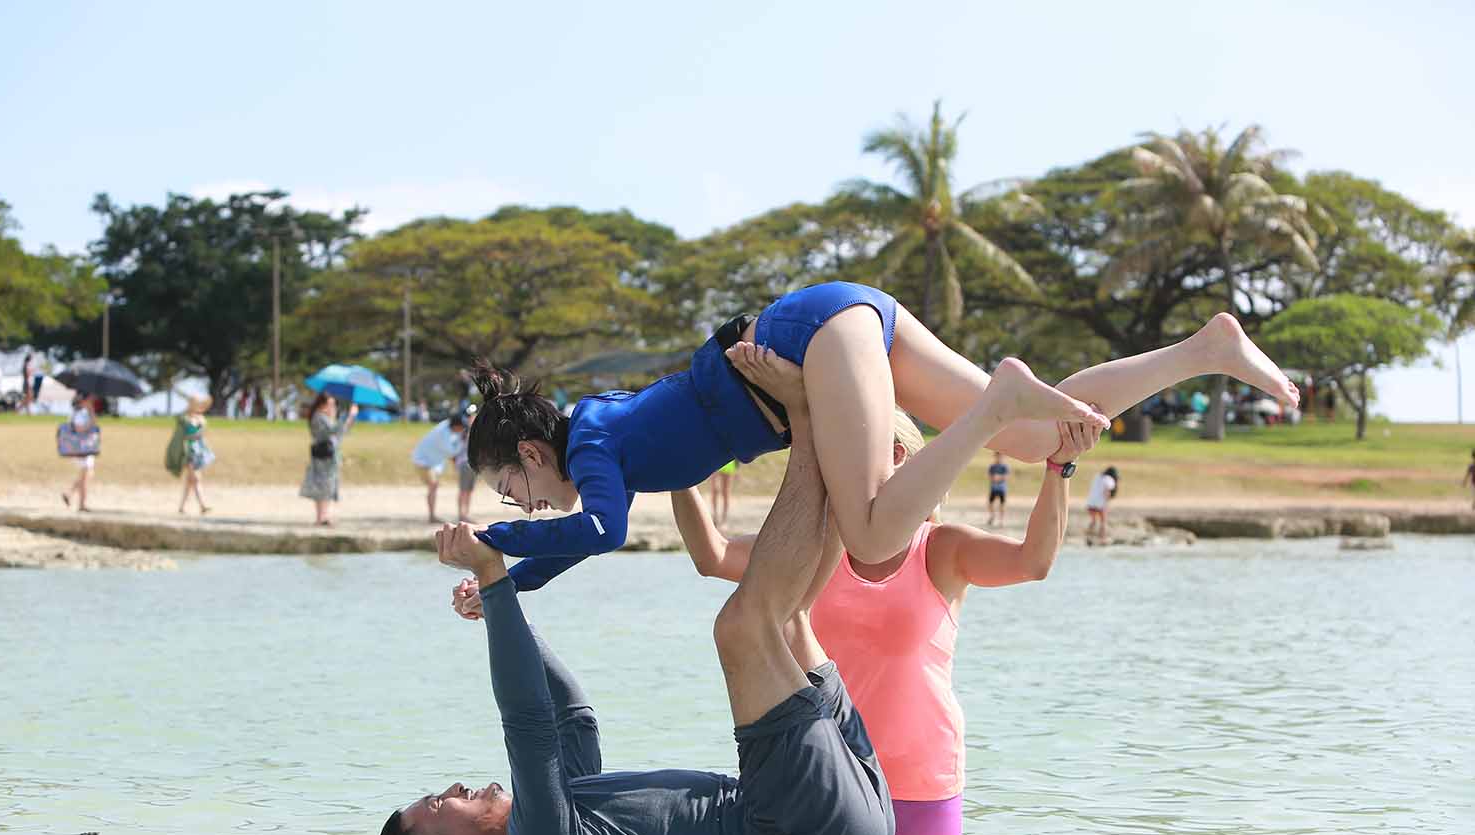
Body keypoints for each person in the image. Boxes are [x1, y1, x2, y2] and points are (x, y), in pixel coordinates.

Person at [374, 378, 898, 835]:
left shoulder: (562, 808)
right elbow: (527, 721)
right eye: (441, 803)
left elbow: (571, 716)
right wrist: (491, 575)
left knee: (790, 623)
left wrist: (500, 607)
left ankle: (850, 455)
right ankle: (809, 424)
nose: (458, 788)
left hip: (852, 817)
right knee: (744, 628)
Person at [462, 281, 1299, 593]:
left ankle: (993, 402)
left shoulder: (594, 449)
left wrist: (491, 539)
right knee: (1043, 439)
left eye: (515, 490)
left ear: (534, 453)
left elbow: (600, 533)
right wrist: (504, 578)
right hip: (836, 316)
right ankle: (1206, 349)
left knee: (868, 536)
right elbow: (575, 542)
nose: (526, 504)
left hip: (809, 337)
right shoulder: (598, 428)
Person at [669, 362, 1098, 835]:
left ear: (895, 456)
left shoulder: (941, 550)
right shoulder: (812, 549)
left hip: (920, 783)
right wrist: (677, 469)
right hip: (829, 778)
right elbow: (713, 555)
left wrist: (1059, 471)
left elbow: (1034, 561)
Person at [299, 392, 358, 526]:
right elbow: (333, 431)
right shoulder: (319, 417)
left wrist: (351, 417)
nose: (332, 408)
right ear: (321, 405)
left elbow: (340, 433)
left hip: (329, 456)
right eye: (329, 405)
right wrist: (346, 416)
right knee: (323, 486)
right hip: (323, 456)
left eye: (333, 405)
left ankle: (324, 516)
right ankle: (321, 518)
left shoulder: (325, 418)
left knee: (328, 486)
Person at [411, 411, 470, 523]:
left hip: (432, 461)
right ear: (456, 426)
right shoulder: (443, 434)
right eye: (461, 427)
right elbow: (452, 452)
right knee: (433, 485)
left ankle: (432, 515)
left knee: (433, 486)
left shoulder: (448, 425)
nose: (463, 430)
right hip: (423, 461)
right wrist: (462, 442)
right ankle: (432, 516)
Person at [176, 395, 215, 515]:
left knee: (190, 482)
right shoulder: (186, 419)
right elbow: (185, 436)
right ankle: (202, 505)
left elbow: (202, 435)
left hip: (198, 451)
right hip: (189, 451)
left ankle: (182, 507)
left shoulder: (200, 418)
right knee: (196, 479)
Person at [60, 394, 99, 512]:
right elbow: (79, 429)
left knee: (87, 475)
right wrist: (91, 417)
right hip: (82, 448)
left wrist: (91, 412)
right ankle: (79, 502)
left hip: (85, 448)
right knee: (86, 475)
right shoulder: (79, 413)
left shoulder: (83, 412)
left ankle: (71, 495)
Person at [1086, 466, 1119, 543]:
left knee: (1093, 521)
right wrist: (1106, 504)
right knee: (1103, 522)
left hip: (1090, 502)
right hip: (1100, 503)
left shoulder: (1097, 476)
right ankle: (1102, 538)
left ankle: (1088, 537)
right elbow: (1107, 492)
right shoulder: (1110, 480)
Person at [708, 460, 737, 528]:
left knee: (725, 492)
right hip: (715, 460)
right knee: (714, 489)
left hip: (728, 461)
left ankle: (724, 520)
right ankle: (715, 516)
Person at [987, 451, 1010, 527]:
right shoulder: (992, 467)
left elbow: (1006, 477)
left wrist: (998, 477)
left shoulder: (1004, 467)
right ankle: (992, 516)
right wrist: (993, 478)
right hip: (993, 488)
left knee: (1002, 505)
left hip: (1002, 489)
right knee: (990, 504)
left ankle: (1001, 520)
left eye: (1000, 456)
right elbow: (989, 476)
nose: (998, 458)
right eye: (997, 456)